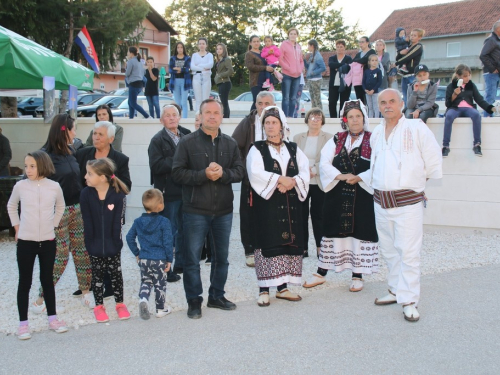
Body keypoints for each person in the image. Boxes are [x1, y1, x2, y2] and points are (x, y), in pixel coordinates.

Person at [369, 89, 442, 322]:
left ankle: (409, 299)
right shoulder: (377, 133)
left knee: (409, 252)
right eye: (383, 102)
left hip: (407, 202)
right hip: (381, 201)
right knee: (389, 250)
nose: (387, 105)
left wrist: (418, 187)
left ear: (402, 103)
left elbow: (432, 161)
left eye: (392, 101)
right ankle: (394, 289)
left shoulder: (417, 127)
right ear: (378, 106)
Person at [172, 99, 244, 319]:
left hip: (223, 211)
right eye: (208, 112)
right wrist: (203, 174)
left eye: (216, 112)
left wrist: (223, 174)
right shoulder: (186, 142)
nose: (212, 116)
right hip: (195, 211)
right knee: (192, 259)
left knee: (221, 258)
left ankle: (217, 296)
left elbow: (240, 172)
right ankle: (194, 301)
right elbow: (177, 173)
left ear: (222, 116)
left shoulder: (230, 143)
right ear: (200, 116)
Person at [303, 100, 378, 292]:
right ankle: (321, 272)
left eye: (358, 116)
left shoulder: (373, 139)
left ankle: (357, 275)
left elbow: (379, 164)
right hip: (337, 194)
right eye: (351, 117)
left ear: (364, 118)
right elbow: (324, 163)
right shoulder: (337, 139)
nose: (354, 120)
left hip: (361, 196)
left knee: (359, 232)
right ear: (346, 119)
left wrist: (360, 177)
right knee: (331, 231)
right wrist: (342, 176)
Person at [246, 106, 310, 307]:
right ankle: (264, 289)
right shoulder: (256, 148)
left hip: (291, 205)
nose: (270, 126)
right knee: (267, 241)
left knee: (287, 244)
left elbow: (305, 171)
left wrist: (292, 182)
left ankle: (283, 288)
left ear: (282, 125)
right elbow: (254, 172)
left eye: (274, 122)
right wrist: (280, 179)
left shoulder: (293, 148)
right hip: (267, 205)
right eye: (267, 123)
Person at [33, 114, 93, 313]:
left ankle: (86, 292)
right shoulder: (43, 156)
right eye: (73, 128)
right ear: (64, 130)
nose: (76, 133)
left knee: (82, 252)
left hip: (77, 209)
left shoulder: (70, 151)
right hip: (56, 213)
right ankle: (42, 296)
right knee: (60, 256)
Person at [8, 150, 68, 340]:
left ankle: (53, 318)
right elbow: (11, 206)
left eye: (32, 166)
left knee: (47, 281)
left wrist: (54, 224)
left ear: (42, 165)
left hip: (48, 241)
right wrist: (17, 228)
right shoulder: (20, 186)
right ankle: (23, 324)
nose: (28, 169)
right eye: (26, 166)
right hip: (26, 242)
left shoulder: (54, 186)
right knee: (24, 281)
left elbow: (60, 206)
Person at [80, 158, 130, 323]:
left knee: (116, 274)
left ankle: (120, 303)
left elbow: (119, 222)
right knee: (97, 275)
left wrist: (116, 244)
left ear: (102, 177)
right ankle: (99, 305)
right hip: (94, 245)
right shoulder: (86, 194)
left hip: (113, 244)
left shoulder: (118, 195)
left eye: (89, 173)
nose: (85, 176)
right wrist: (90, 244)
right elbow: (87, 221)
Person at [232, 91, 276, 267]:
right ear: (255, 104)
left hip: (273, 179)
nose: (263, 107)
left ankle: (268, 247)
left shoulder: (279, 122)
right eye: (260, 103)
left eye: (267, 103)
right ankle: (250, 250)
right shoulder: (248, 122)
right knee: (249, 216)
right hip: (250, 180)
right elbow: (234, 145)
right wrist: (244, 167)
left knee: (271, 214)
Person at [148, 104, 191, 276]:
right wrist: (178, 160)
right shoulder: (157, 140)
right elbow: (156, 165)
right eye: (168, 115)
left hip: (188, 191)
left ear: (180, 117)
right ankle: (168, 268)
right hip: (168, 193)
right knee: (168, 231)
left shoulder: (188, 135)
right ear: (161, 120)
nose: (172, 118)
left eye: (175, 114)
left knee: (185, 230)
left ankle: (181, 264)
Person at [126, 189, 173, 320]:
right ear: (160, 206)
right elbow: (168, 242)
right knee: (160, 283)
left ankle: (143, 299)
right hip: (160, 259)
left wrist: (137, 253)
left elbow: (129, 238)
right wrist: (169, 259)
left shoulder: (138, 221)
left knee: (146, 281)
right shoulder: (164, 222)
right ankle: (160, 308)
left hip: (144, 258)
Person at [293, 108, 332, 258]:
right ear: (307, 120)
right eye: (312, 117)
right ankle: (302, 248)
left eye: (318, 117)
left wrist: (314, 169)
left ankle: (320, 247)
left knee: (318, 216)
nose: (315, 120)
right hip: (302, 182)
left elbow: (330, 159)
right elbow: (293, 158)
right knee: (300, 215)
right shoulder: (297, 138)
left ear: (322, 121)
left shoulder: (329, 138)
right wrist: (303, 171)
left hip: (318, 181)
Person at [442, 64, 496, 157]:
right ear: (459, 76)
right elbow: (448, 104)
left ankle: (477, 144)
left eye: (469, 75)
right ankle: (445, 146)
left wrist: (490, 107)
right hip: (455, 108)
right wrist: (454, 94)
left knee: (476, 115)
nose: (467, 78)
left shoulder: (471, 85)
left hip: (468, 108)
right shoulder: (451, 86)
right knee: (449, 116)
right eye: (465, 76)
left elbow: (479, 99)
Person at [76, 121, 131, 191]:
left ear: (111, 139)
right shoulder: (81, 154)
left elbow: (126, 187)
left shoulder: (121, 159)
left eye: (101, 134)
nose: (96, 137)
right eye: (95, 133)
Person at [395, 29, 424, 106]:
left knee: (413, 96)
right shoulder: (407, 46)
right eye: (411, 35)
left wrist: (396, 63)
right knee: (405, 96)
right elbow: (398, 57)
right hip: (404, 75)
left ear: (419, 37)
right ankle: (407, 111)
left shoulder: (418, 46)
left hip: (412, 74)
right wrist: (400, 53)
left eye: (415, 35)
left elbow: (408, 56)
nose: (412, 37)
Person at [280, 28, 305, 117]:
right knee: (286, 97)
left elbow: (301, 60)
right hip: (287, 75)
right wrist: (288, 68)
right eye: (291, 34)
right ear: (288, 35)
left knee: (293, 98)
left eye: (294, 34)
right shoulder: (284, 44)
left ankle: (291, 116)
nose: (293, 35)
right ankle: (284, 116)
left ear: (297, 35)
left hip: (297, 76)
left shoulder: (298, 46)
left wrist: (300, 69)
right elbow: (280, 59)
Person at [245, 35, 273, 111]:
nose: (256, 43)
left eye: (258, 41)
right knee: (257, 101)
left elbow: (269, 61)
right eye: (254, 41)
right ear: (250, 43)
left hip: (265, 81)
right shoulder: (249, 54)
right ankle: (251, 120)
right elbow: (251, 67)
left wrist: (272, 67)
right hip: (255, 82)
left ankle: (263, 119)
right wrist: (265, 68)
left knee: (266, 102)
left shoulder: (263, 52)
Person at [345, 36, 376, 105]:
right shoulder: (359, 54)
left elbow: (365, 60)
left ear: (367, 43)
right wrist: (359, 62)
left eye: (362, 42)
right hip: (358, 79)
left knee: (369, 100)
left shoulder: (372, 51)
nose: (361, 44)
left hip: (368, 78)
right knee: (360, 99)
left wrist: (358, 61)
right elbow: (353, 62)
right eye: (360, 42)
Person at [479, 20, 500, 117]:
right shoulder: (491, 40)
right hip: (491, 73)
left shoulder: (496, 40)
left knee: (492, 96)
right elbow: (483, 55)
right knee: (490, 97)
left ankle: (489, 117)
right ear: (498, 29)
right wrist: (492, 68)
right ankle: (487, 118)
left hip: (495, 73)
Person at [328, 40, 353, 118]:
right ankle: (333, 118)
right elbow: (331, 64)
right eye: (338, 47)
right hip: (334, 83)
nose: (339, 49)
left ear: (344, 47)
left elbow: (348, 67)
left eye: (341, 47)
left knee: (344, 103)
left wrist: (338, 67)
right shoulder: (332, 58)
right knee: (332, 102)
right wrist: (342, 66)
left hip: (345, 84)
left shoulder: (348, 58)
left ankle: (342, 118)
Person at [169, 42, 192, 118]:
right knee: (178, 102)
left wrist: (178, 68)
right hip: (175, 81)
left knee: (184, 102)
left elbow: (187, 69)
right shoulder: (172, 58)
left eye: (181, 47)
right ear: (176, 49)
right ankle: (178, 118)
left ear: (183, 48)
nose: (180, 49)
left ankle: (185, 119)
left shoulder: (187, 58)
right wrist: (181, 69)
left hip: (185, 81)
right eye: (178, 47)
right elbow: (170, 70)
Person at [125, 46, 149, 119]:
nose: (127, 54)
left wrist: (126, 66)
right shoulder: (140, 61)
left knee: (133, 103)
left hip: (133, 84)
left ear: (131, 53)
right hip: (140, 84)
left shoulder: (131, 61)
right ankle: (131, 118)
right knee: (130, 102)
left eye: (128, 52)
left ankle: (147, 116)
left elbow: (127, 73)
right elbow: (144, 72)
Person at [191, 37, 214, 113]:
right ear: (198, 45)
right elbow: (192, 67)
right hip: (196, 77)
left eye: (203, 44)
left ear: (206, 45)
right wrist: (204, 67)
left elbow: (210, 65)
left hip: (206, 77)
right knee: (198, 99)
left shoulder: (209, 55)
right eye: (200, 44)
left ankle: (205, 115)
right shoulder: (194, 55)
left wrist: (198, 66)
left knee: (205, 99)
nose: (201, 45)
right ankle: (198, 117)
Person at [304, 39, 326, 110]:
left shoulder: (318, 56)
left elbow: (323, 67)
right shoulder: (312, 56)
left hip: (316, 79)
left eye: (308, 46)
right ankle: (314, 113)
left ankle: (319, 113)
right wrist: (304, 60)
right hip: (311, 79)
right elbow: (308, 67)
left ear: (312, 46)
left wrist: (313, 73)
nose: (308, 47)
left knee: (317, 99)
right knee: (313, 99)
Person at [214, 43, 234, 118]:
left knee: (224, 102)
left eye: (220, 49)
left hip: (225, 82)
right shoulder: (219, 60)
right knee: (222, 102)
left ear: (224, 50)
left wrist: (220, 75)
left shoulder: (227, 59)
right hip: (220, 83)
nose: (218, 50)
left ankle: (226, 118)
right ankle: (225, 117)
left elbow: (231, 70)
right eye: (217, 49)